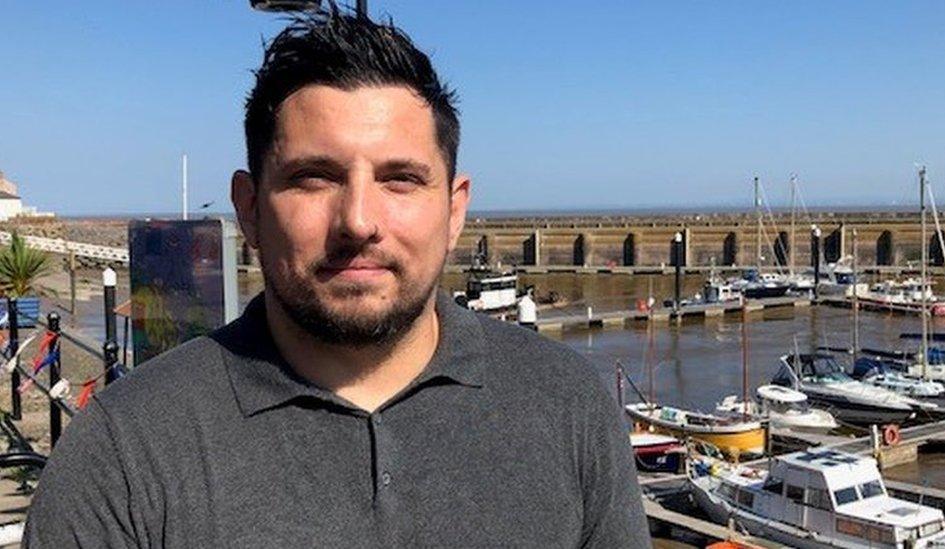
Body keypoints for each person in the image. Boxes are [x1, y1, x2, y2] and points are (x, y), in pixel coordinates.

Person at [25, 7, 649, 548]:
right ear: (249, 209)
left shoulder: (567, 405)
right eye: (312, 177)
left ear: (454, 210)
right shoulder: (124, 452)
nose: (358, 221)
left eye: (400, 179)